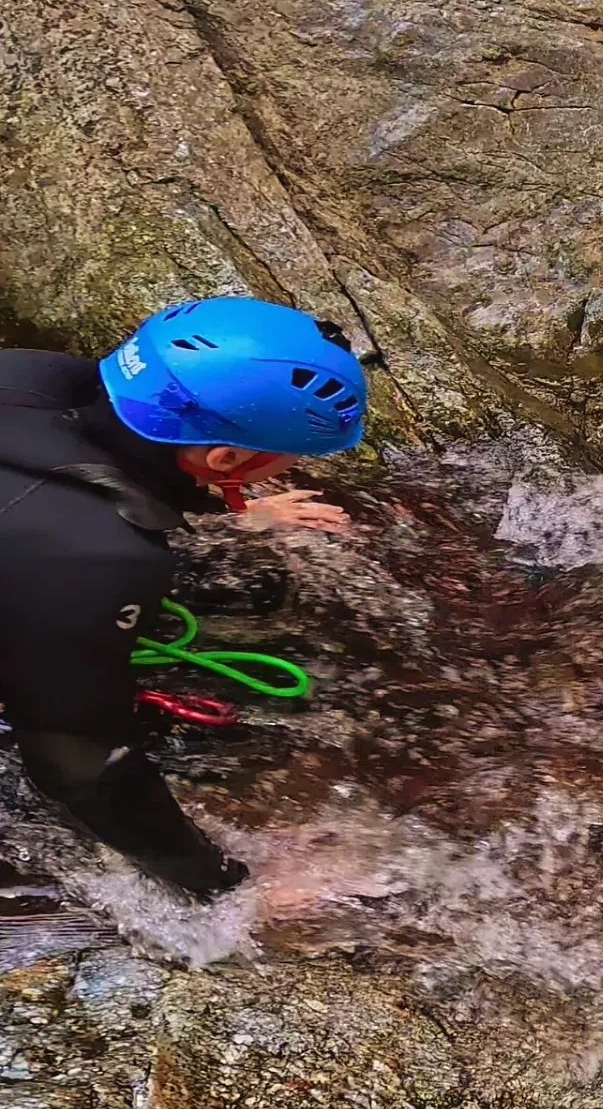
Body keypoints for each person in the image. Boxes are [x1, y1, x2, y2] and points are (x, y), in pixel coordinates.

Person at [0, 297, 367, 898]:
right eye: (286, 456)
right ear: (225, 457)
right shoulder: (99, 558)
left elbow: (104, 461)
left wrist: (223, 504)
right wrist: (222, 887)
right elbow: (83, 767)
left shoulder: (30, 373)